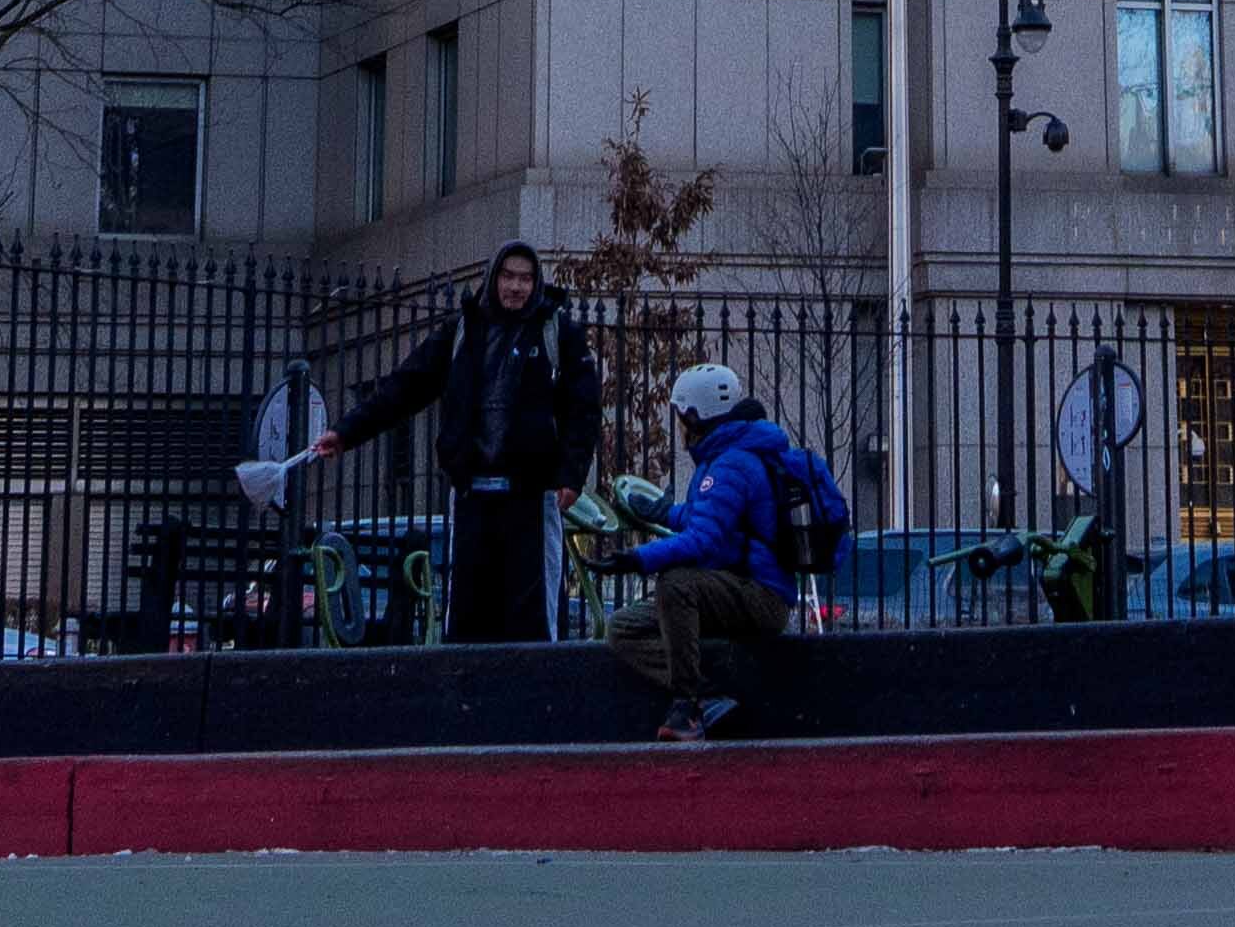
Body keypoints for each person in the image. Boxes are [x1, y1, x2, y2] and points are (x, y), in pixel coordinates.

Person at [296, 236, 604, 641]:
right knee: (466, 618)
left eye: (525, 279)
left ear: (537, 284)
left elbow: (583, 410)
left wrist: (571, 474)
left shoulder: (557, 332)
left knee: (533, 621)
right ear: (493, 278)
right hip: (472, 496)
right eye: (508, 277)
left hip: (530, 498)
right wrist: (346, 432)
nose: (516, 287)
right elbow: (405, 386)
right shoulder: (463, 331)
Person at [608, 358, 848, 738]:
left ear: (695, 416)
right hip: (735, 588)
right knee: (623, 628)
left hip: (761, 596)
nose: (680, 427)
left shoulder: (733, 464)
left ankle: (687, 707)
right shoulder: (727, 457)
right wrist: (662, 512)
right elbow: (712, 518)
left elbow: (703, 539)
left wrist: (638, 559)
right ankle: (709, 698)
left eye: (681, 417)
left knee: (677, 583)